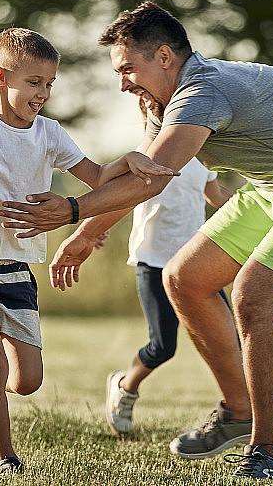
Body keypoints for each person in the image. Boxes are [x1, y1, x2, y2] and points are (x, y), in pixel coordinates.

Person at [0, 2, 273, 480]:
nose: (122, 83)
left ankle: (265, 450)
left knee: (252, 295)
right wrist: (84, 234)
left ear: (164, 56)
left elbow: (151, 182)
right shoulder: (165, 105)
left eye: (127, 69)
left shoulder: (202, 92)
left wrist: (74, 212)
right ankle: (237, 409)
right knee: (184, 277)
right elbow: (145, 171)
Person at [0, 27, 176, 477]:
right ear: (2, 77)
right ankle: (6, 458)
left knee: (27, 380)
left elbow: (97, 177)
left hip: (16, 266)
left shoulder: (49, 134)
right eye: (34, 83)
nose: (43, 93)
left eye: (49, 84)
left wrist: (131, 159)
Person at [96, 99, 234, 436]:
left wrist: (261, 209)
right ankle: (125, 387)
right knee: (163, 346)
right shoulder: (141, 157)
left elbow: (215, 195)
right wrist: (94, 227)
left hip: (197, 263)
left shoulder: (201, 157)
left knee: (230, 339)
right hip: (153, 263)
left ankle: (247, 413)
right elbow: (118, 197)